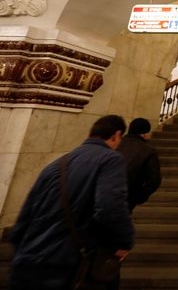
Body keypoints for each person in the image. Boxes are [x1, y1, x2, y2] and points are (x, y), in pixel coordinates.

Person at [8, 114, 135, 290]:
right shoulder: (110, 159)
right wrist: (124, 242)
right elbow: (109, 207)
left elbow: (25, 217)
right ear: (117, 135)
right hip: (68, 264)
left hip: (30, 261)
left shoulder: (56, 165)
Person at [116, 117, 162, 213]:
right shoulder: (148, 150)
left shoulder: (116, 143)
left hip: (105, 193)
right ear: (145, 134)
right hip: (128, 196)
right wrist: (138, 197)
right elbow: (154, 180)